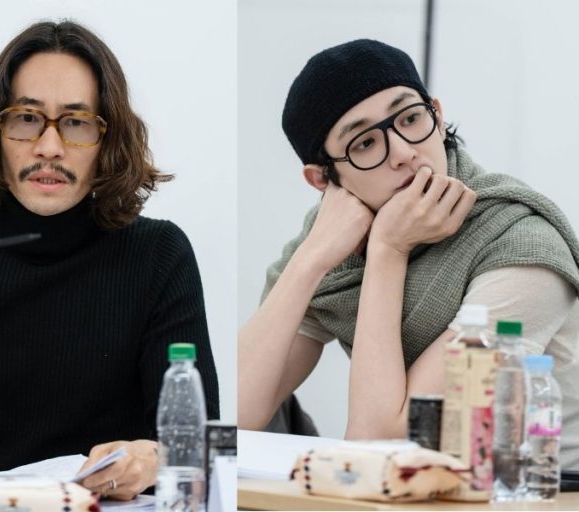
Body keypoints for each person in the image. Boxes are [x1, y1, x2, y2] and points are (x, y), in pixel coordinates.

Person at [0, 20, 220, 498]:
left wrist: (156, 457)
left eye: (76, 122)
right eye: (26, 118)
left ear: (107, 140)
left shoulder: (157, 255)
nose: (49, 147)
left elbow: (208, 445)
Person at [237, 39, 579, 469]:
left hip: (539, 494)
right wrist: (310, 260)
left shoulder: (519, 244)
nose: (403, 153)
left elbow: (377, 446)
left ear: (436, 114)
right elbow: (233, 419)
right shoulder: (335, 245)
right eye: (364, 143)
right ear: (323, 179)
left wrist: (389, 250)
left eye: (411, 118)